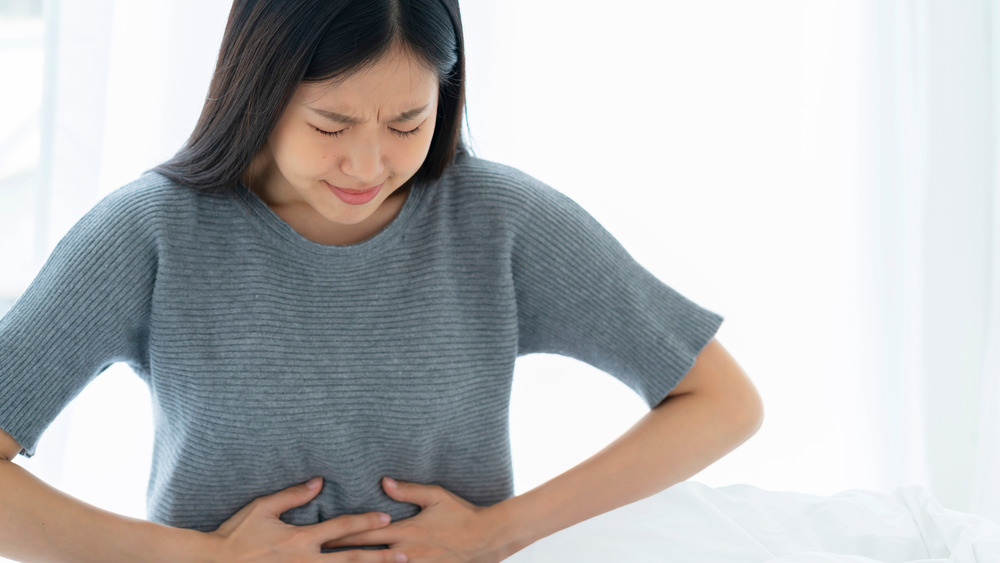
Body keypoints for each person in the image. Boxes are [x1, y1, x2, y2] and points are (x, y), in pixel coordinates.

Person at [0, 0, 763, 561]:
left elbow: (723, 403)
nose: (368, 165)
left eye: (407, 123)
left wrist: (502, 528)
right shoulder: (150, 232)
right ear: (258, 92)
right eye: (331, 125)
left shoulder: (501, 221)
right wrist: (203, 560)